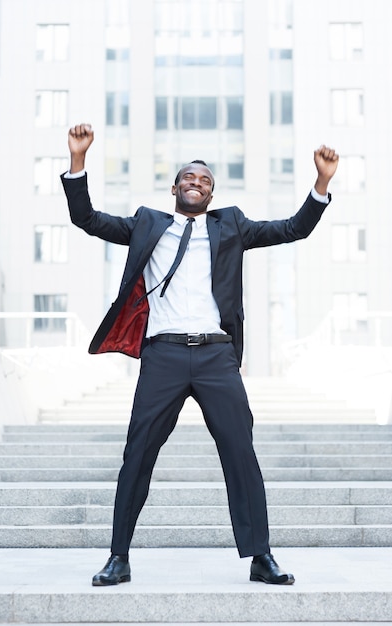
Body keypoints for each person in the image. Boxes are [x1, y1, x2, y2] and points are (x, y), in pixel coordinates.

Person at [61, 124, 339, 587]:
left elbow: (293, 229)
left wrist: (322, 183)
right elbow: (87, 219)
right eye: (189, 177)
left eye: (205, 180)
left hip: (216, 356)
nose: (197, 183)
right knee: (137, 455)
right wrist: (77, 162)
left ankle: (261, 556)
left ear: (211, 193)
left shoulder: (231, 225)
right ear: (175, 188)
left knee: (241, 452)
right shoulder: (147, 223)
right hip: (163, 355)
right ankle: (118, 556)